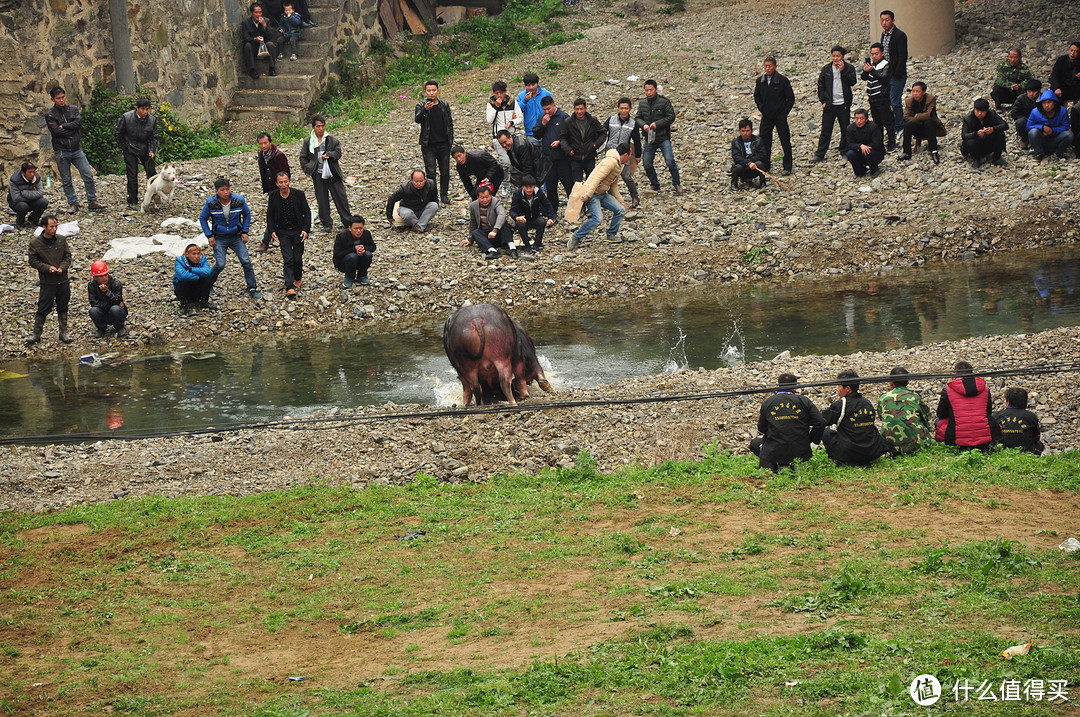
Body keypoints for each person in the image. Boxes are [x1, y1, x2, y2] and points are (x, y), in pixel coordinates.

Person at [749, 372, 826, 472]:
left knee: (755, 443)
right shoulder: (804, 401)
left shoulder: (768, 402)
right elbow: (820, 422)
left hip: (775, 449)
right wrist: (811, 439)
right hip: (801, 450)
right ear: (795, 388)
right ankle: (793, 464)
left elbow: (761, 428)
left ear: (777, 386)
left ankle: (774, 465)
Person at [44, 87, 105, 214]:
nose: (61, 100)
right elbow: (55, 131)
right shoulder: (50, 114)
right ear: (53, 99)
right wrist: (70, 130)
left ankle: (92, 201)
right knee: (66, 180)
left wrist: (65, 126)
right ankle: (73, 203)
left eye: (63, 97)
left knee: (88, 174)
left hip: (76, 149)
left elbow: (78, 123)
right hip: (61, 150)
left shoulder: (73, 109)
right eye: (58, 98)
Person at [199, 178, 261, 301]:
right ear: (217, 191)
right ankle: (208, 284)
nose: (226, 192)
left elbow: (247, 214)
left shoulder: (239, 200)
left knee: (246, 261)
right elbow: (203, 218)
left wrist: (245, 231)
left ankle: (252, 287)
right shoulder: (211, 203)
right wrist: (209, 235)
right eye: (222, 190)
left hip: (236, 235)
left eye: (227, 189)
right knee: (220, 264)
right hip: (219, 237)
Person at [819, 370, 890, 466]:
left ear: (847, 389)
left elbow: (822, 420)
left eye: (839, 386)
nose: (837, 389)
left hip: (850, 451)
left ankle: (841, 459)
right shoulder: (867, 402)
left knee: (826, 432)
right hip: (872, 450)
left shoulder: (842, 404)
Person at [567, 144, 629, 250]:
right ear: (626, 154)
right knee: (598, 219)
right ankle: (576, 237)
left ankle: (611, 235)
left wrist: (621, 201)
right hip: (593, 194)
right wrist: (588, 195)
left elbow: (613, 185)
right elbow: (596, 178)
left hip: (603, 194)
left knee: (620, 210)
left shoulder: (619, 164)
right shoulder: (611, 162)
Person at [299, 115, 352, 232]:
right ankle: (327, 224)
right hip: (318, 174)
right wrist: (309, 169)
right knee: (322, 200)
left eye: (322, 126)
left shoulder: (331, 139)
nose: (321, 129)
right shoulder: (308, 142)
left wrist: (330, 155)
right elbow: (303, 158)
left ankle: (348, 221)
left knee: (341, 198)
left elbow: (338, 153)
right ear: (313, 127)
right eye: (318, 126)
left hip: (333, 174)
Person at [935, 360, 1002, 449]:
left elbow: (941, 414)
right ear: (972, 372)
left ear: (955, 373)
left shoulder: (947, 390)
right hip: (984, 438)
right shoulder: (985, 389)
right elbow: (988, 412)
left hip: (956, 439)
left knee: (938, 421)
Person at [26, 216, 72, 345]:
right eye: (52, 226)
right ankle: (36, 334)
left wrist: (62, 268)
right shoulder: (35, 243)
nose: (55, 229)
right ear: (44, 227)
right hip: (47, 282)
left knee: (63, 307)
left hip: (63, 279)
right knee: (43, 307)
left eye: (56, 226)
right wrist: (48, 268)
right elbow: (33, 261)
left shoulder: (61, 240)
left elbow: (67, 257)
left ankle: (63, 333)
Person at [265, 172, 311, 298]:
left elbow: (307, 212)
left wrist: (306, 229)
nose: (284, 185)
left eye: (286, 182)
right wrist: (272, 230)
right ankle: (289, 286)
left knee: (297, 257)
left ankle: (298, 276)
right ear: (276, 184)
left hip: (298, 230)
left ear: (289, 181)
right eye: (281, 182)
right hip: (283, 231)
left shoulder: (299, 194)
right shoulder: (273, 196)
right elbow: (270, 214)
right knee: (288, 258)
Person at [635, 79, 683, 194]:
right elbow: (637, 118)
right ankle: (654, 184)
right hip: (649, 139)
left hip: (663, 137)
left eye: (651, 90)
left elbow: (671, 117)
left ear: (656, 90)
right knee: (647, 163)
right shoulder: (642, 103)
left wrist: (657, 124)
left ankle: (677, 183)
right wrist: (644, 125)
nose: (649, 92)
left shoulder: (664, 102)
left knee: (670, 161)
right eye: (646, 90)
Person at [812, 46, 858, 162]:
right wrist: (823, 100)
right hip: (830, 104)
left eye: (838, 56)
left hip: (843, 104)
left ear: (842, 56)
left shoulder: (849, 68)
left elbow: (852, 82)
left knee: (845, 129)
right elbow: (820, 85)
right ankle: (820, 153)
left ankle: (844, 151)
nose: (835, 58)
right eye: (833, 56)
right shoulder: (826, 69)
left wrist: (843, 71)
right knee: (826, 130)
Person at [113, 97, 159, 207]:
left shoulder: (152, 120)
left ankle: (155, 196)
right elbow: (117, 133)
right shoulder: (126, 117)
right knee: (132, 174)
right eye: (143, 109)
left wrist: (152, 150)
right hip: (130, 147)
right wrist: (124, 147)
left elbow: (154, 136)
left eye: (147, 109)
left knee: (152, 172)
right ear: (137, 108)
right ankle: (132, 199)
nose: (145, 112)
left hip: (145, 148)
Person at [753, 57, 795, 175]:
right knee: (764, 141)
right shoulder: (760, 81)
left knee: (785, 140)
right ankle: (765, 165)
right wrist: (761, 108)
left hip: (779, 115)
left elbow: (790, 98)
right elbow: (757, 96)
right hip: (766, 115)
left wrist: (784, 113)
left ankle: (787, 166)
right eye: (765, 66)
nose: (767, 68)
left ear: (775, 66)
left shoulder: (782, 80)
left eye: (770, 66)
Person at [876, 366, 931, 455]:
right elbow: (927, 416)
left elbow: (881, 417)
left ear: (891, 382)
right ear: (908, 381)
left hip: (890, 445)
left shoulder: (883, 398)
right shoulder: (915, 396)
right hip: (916, 443)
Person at [415, 80, 454, 204]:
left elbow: (450, 123)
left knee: (445, 171)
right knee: (431, 173)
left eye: (434, 90)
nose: (431, 93)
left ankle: (444, 195)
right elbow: (417, 119)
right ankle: (434, 197)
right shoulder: (421, 106)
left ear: (438, 90)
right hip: (429, 145)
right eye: (429, 91)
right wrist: (425, 110)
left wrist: (450, 140)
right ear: (425, 92)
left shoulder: (444, 105)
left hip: (444, 144)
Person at [533, 96, 572, 212]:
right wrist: (543, 124)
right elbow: (536, 134)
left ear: (554, 105)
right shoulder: (542, 118)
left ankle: (574, 210)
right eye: (544, 109)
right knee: (551, 188)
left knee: (569, 186)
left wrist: (560, 142)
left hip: (563, 159)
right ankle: (552, 212)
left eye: (548, 109)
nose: (546, 112)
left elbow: (572, 136)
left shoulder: (564, 117)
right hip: (548, 160)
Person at [254, 131, 291, 252]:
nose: (263, 146)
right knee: (276, 214)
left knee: (273, 215)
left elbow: (286, 173)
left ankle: (266, 241)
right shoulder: (261, 155)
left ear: (270, 142)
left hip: (279, 188)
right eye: (261, 144)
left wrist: (282, 186)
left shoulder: (278, 155)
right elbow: (264, 173)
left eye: (265, 143)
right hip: (271, 189)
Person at [604, 97, 643, 208]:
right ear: (618, 108)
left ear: (630, 109)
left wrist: (638, 155)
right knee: (611, 178)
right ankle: (611, 199)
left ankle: (634, 196)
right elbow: (602, 132)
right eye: (622, 108)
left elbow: (637, 140)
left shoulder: (633, 124)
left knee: (626, 176)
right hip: (611, 153)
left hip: (624, 155)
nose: (624, 111)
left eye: (626, 108)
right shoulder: (611, 120)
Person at [461, 184, 515, 260]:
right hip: (487, 236)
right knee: (476, 232)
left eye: (487, 197)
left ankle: (513, 248)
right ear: (478, 198)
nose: (485, 200)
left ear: (491, 196)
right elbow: (473, 222)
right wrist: (470, 239)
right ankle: (492, 251)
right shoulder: (473, 206)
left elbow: (502, 215)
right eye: (482, 198)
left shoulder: (496, 202)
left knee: (505, 225)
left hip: (499, 234)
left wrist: (495, 230)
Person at [561, 98, 606, 185]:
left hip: (589, 156)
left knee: (591, 182)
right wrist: (568, 149)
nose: (579, 111)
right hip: (575, 157)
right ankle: (578, 198)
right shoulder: (568, 122)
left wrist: (595, 145)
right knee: (577, 184)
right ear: (574, 109)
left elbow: (603, 133)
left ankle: (591, 198)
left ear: (585, 108)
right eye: (577, 109)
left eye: (581, 109)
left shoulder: (592, 121)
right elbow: (563, 137)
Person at [898, 81, 945, 163]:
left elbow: (929, 115)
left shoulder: (931, 99)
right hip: (917, 126)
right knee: (907, 125)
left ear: (923, 92)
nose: (915, 93)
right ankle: (906, 152)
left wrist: (918, 116)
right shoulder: (909, 101)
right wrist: (917, 119)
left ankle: (934, 151)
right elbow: (905, 117)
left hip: (931, 127)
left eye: (917, 91)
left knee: (928, 122)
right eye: (913, 91)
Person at [861, 43, 896, 150]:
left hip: (882, 97)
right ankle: (879, 144)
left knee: (888, 121)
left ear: (882, 53)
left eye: (876, 54)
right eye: (872, 54)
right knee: (877, 123)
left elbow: (884, 78)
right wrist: (866, 71)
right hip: (872, 98)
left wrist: (872, 71)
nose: (874, 56)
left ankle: (891, 143)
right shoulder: (872, 64)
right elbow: (864, 78)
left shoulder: (886, 64)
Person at [879, 10, 908, 137]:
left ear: (893, 20)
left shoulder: (899, 35)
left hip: (896, 74)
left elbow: (903, 56)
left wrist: (896, 73)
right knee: (886, 102)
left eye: (887, 20)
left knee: (895, 102)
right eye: (882, 20)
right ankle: (891, 126)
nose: (884, 23)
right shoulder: (883, 35)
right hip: (885, 74)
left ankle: (899, 127)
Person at [508, 175, 555, 253]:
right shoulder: (517, 194)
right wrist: (516, 217)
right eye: (527, 187)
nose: (529, 190)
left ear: (534, 186)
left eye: (531, 187)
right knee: (519, 224)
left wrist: (550, 217)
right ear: (523, 187)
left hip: (535, 217)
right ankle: (527, 245)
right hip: (524, 218)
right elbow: (512, 210)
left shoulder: (538, 192)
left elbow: (548, 205)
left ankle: (537, 244)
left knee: (542, 222)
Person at [486, 80, 520, 183]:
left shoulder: (512, 102)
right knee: (505, 162)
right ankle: (505, 182)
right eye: (496, 93)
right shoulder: (491, 104)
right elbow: (489, 120)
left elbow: (520, 117)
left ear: (505, 92)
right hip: (498, 137)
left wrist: (511, 122)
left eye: (501, 92)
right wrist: (496, 107)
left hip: (511, 135)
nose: (499, 95)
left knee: (515, 161)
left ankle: (514, 182)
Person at [993, 387, 1044, 455]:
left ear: (1007, 402)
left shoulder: (997, 416)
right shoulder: (1031, 417)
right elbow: (1036, 437)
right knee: (1039, 445)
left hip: (1001, 451)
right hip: (1025, 452)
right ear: (1025, 403)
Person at [1026, 90, 1074, 161]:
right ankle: (1039, 152)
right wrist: (1042, 127)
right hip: (1042, 138)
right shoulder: (1035, 112)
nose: (1046, 105)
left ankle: (1059, 152)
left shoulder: (1062, 111)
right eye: (1044, 103)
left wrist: (1052, 130)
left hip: (1056, 138)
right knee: (1033, 132)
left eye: (1049, 102)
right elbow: (1028, 126)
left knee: (1069, 134)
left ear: (1054, 102)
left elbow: (1066, 126)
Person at [961, 98, 1008, 168]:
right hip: (976, 145)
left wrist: (993, 129)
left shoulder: (992, 114)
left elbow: (1005, 125)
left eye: (982, 111)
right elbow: (964, 135)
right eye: (977, 111)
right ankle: (976, 159)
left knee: (1000, 134)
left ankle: (996, 158)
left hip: (989, 142)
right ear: (974, 109)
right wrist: (976, 134)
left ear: (986, 111)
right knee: (970, 142)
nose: (980, 113)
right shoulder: (968, 118)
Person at [87, 260, 127, 339]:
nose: (104, 278)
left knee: (115, 309)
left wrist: (107, 292)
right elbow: (93, 302)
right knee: (93, 310)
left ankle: (119, 327)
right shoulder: (91, 285)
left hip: (116, 312)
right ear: (95, 277)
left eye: (105, 275)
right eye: (101, 276)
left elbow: (117, 300)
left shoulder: (116, 283)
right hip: (102, 311)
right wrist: (107, 305)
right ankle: (101, 328)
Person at [333, 216, 376, 288]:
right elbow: (337, 254)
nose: (358, 231)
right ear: (350, 228)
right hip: (344, 262)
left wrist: (363, 248)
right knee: (352, 256)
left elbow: (373, 247)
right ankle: (349, 277)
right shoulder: (341, 236)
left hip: (360, 260)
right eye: (356, 229)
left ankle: (362, 275)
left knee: (368, 254)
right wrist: (354, 249)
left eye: (361, 228)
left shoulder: (366, 234)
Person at [173, 243, 215, 316]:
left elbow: (207, 272)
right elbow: (182, 276)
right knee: (182, 281)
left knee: (207, 279)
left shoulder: (203, 259)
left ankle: (204, 302)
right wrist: (197, 277)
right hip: (184, 291)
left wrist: (191, 269)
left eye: (198, 254)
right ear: (187, 254)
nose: (197, 256)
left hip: (198, 291)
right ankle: (183, 305)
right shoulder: (179, 261)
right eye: (194, 254)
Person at [843, 108, 885, 177]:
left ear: (866, 119)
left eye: (861, 119)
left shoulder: (873, 127)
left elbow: (877, 143)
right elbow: (849, 144)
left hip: (874, 153)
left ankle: (874, 169)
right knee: (850, 153)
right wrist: (860, 146)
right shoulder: (850, 128)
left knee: (867, 151)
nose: (858, 121)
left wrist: (865, 147)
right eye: (856, 118)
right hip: (859, 151)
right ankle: (860, 171)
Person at [729, 118, 769, 190]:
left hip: (754, 166)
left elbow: (762, 154)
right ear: (740, 131)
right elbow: (736, 157)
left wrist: (751, 161)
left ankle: (763, 182)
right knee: (736, 167)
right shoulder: (736, 142)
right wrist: (747, 163)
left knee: (760, 164)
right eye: (743, 131)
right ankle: (734, 184)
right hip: (743, 166)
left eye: (747, 131)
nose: (745, 133)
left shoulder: (758, 140)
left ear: (752, 130)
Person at [7, 161, 48, 230]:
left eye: (34, 172)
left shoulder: (37, 178)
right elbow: (16, 198)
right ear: (23, 173)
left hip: (29, 200)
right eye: (30, 172)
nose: (32, 174)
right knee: (23, 206)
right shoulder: (15, 180)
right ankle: (20, 223)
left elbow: (41, 193)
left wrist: (24, 193)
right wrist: (33, 194)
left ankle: (33, 219)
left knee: (44, 202)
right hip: (16, 203)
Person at [241, 2, 277, 79]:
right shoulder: (246, 23)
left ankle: (272, 68)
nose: (258, 15)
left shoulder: (266, 20)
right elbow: (245, 37)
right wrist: (254, 39)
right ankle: (252, 69)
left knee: (270, 44)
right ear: (251, 13)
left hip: (264, 44)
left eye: (260, 12)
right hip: (254, 45)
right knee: (247, 46)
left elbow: (270, 36)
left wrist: (264, 26)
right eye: (256, 12)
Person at [516, 72, 552, 147]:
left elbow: (552, 109)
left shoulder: (546, 94)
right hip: (530, 132)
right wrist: (524, 101)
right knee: (534, 156)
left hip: (546, 130)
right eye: (528, 85)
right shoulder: (521, 96)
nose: (531, 87)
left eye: (533, 84)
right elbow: (517, 111)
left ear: (537, 83)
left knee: (547, 156)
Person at [1010, 79, 1042, 150]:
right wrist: (1026, 119)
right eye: (1029, 91)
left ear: (1039, 91)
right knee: (1020, 122)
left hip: (1041, 121)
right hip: (1026, 120)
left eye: (1034, 92)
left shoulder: (1044, 99)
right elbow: (1014, 113)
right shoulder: (1021, 98)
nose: (1031, 94)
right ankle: (1025, 139)